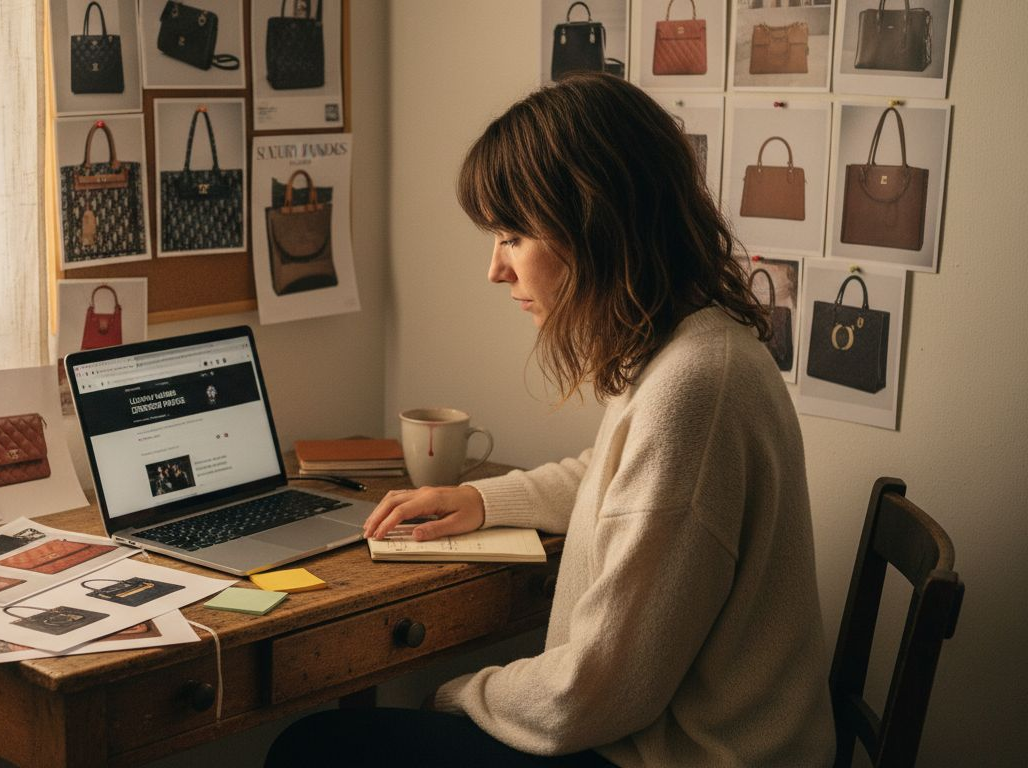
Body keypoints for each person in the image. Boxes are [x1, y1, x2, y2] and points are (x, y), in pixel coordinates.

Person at [266, 74, 834, 767]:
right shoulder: (695, 347)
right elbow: (616, 477)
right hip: (658, 740)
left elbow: (596, 691)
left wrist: (456, 696)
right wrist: (482, 499)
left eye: (511, 235)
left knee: (314, 750)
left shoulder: (693, 389)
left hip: (673, 756)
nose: (495, 270)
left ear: (594, 227)